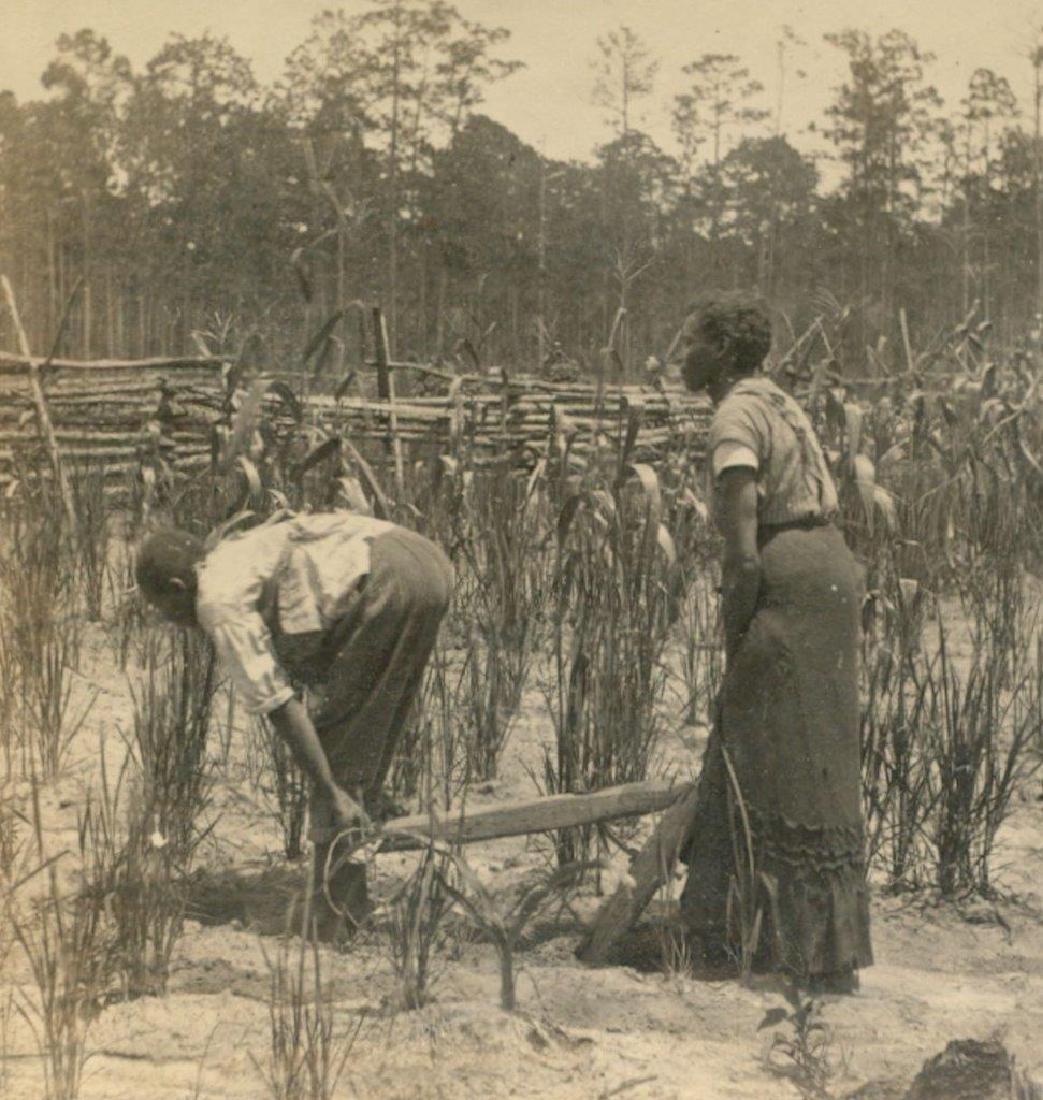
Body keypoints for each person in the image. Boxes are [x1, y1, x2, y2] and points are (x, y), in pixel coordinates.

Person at [676, 293, 872, 993]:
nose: (679, 354)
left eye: (690, 341)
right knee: (811, 753)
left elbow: (742, 550)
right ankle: (811, 947)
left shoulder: (734, 413)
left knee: (759, 749)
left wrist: (735, 628)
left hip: (784, 574)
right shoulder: (777, 400)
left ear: (722, 352)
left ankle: (754, 945)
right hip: (829, 571)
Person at [135, 510, 453, 941]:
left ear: (178, 588)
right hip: (422, 559)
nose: (174, 623)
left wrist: (328, 788)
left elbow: (279, 705)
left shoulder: (218, 601)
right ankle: (344, 894)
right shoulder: (233, 556)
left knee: (336, 758)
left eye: (166, 611)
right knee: (350, 736)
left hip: (388, 574)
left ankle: (333, 914)